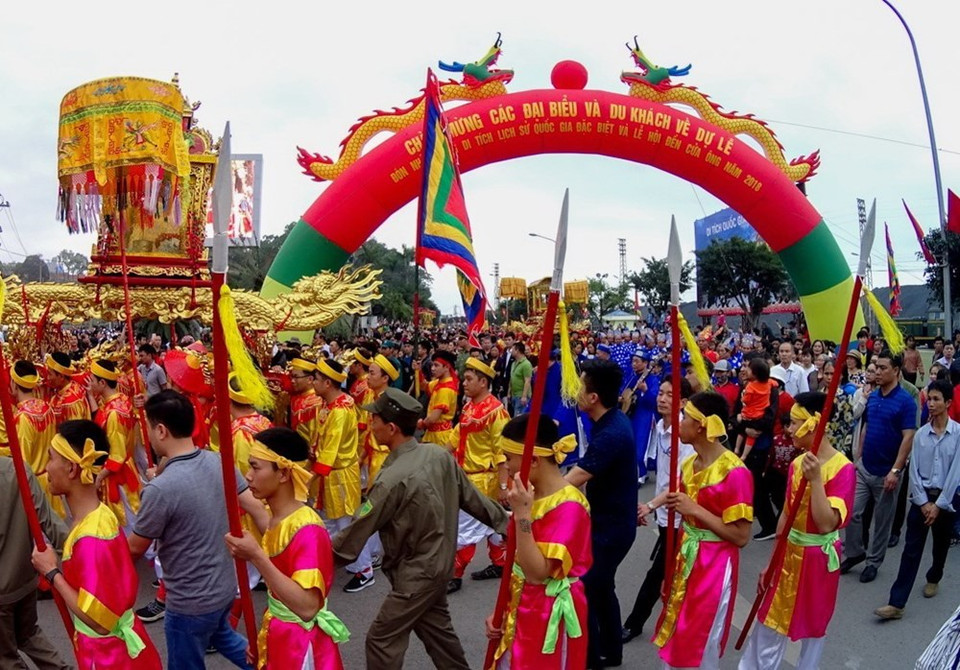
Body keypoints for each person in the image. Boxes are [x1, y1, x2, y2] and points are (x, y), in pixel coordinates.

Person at [332, 387, 509, 669]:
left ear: (391, 428)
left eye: (375, 419)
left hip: (416, 574)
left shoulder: (390, 480)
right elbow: (475, 501)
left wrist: (312, 562)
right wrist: (509, 525)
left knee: (381, 640)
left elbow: (356, 533)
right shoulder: (438, 456)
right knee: (439, 635)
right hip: (438, 566)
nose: (370, 424)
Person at [127, 389, 268, 669]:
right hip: (224, 588)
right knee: (225, 636)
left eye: (150, 429)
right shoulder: (218, 461)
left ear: (162, 431)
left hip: (189, 601)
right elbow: (255, 507)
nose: (150, 437)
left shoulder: (160, 489)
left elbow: (134, 546)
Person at [31, 420, 162, 669]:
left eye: (50, 458)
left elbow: (100, 619)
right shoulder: (100, 514)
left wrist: (51, 572)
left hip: (110, 657)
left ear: (71, 468)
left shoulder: (91, 539)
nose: (46, 467)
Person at [739, 392, 855, 670]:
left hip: (818, 559)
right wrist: (771, 564)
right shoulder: (795, 464)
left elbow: (827, 523)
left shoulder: (843, 469)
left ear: (815, 424)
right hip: (789, 554)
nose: (789, 429)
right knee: (769, 621)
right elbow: (786, 518)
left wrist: (816, 481)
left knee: (812, 630)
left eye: (795, 423)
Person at [224, 427, 348, 669]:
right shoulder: (275, 515)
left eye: (255, 467)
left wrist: (257, 556)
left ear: (282, 474)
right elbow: (248, 502)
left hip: (301, 647)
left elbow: (308, 607)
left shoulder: (307, 531)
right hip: (279, 634)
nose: (248, 476)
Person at [651, 391, 753, 669]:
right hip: (687, 556)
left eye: (685, 418)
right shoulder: (688, 464)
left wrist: (695, 510)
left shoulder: (735, 473)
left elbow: (741, 536)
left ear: (701, 426)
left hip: (714, 567)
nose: (679, 422)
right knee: (675, 630)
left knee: (699, 640)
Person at [485, 413, 592, 668]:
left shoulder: (569, 507)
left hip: (547, 613)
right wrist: (501, 611)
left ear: (532, 460)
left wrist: (522, 515)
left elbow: (536, 572)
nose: (506, 465)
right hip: (521, 605)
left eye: (509, 458)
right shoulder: (530, 494)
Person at [565, 359, 637, 668]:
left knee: (585, 591)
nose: (577, 392)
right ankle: (612, 650)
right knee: (602, 586)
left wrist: (537, 497)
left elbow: (575, 478)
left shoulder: (611, 433)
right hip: (610, 522)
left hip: (610, 529)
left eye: (581, 387)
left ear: (594, 397)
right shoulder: (609, 421)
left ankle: (590, 660)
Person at [875, 380, 960, 620]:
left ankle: (934, 576)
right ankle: (897, 603)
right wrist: (923, 503)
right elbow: (914, 472)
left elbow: (956, 474)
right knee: (911, 551)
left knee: (941, 545)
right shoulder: (921, 435)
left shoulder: (958, 435)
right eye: (929, 399)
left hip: (946, 502)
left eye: (936, 399)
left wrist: (939, 504)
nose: (931, 404)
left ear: (948, 403)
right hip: (921, 502)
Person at [622, 376, 695, 644]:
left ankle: (634, 623)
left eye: (669, 394)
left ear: (684, 402)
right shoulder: (661, 426)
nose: (662, 398)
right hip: (665, 513)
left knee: (659, 573)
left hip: (679, 514)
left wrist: (650, 505)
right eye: (661, 393)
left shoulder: (685, 434)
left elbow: (680, 483)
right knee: (669, 571)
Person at [841, 351, 918, 583]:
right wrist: (859, 458)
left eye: (883, 368)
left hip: (888, 472)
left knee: (882, 521)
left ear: (896, 371)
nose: (878, 372)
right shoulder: (873, 397)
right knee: (852, 512)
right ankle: (855, 553)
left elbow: (908, 437)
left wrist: (896, 470)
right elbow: (866, 428)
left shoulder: (906, 401)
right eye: (877, 367)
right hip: (865, 467)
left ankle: (874, 562)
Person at [0, 450, 70, 669]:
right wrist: (76, 554)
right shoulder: (15, 467)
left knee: (6, 657)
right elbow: (48, 520)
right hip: (25, 574)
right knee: (29, 633)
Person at [445, 357, 510, 593]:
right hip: (467, 475)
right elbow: (456, 436)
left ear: (483, 382)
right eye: (464, 378)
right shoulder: (469, 406)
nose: (464, 383)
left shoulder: (496, 412)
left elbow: (501, 452)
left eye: (469, 379)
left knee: (464, 528)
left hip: (483, 479)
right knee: (492, 524)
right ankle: (501, 563)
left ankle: (455, 574)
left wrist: (503, 486)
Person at [310, 358, 370, 593]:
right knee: (327, 522)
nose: (312, 383)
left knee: (346, 525)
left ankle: (365, 570)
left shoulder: (341, 410)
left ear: (327, 382)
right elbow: (321, 442)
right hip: (329, 475)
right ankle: (329, 562)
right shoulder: (329, 404)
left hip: (340, 475)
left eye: (314, 379)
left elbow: (331, 450)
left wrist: (308, 478)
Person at [86, 359, 141, 530]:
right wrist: (89, 396)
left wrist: (99, 477)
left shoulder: (114, 413)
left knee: (128, 521)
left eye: (93, 381)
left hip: (119, 476)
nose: (91, 384)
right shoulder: (121, 400)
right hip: (124, 468)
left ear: (102, 383)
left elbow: (117, 455)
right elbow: (101, 420)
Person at [621, 348, 659, 486]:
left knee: (641, 445)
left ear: (646, 363)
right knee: (629, 445)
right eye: (633, 361)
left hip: (645, 415)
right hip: (631, 414)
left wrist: (645, 391)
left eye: (637, 361)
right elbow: (624, 392)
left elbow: (655, 400)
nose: (634, 364)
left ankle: (640, 476)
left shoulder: (653, 379)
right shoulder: (631, 376)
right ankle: (633, 473)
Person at [420, 350, 458, 446]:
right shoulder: (439, 382)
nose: (432, 368)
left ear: (446, 367)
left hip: (440, 437)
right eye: (432, 365)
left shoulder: (446, 389)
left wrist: (421, 424)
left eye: (436, 365)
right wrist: (418, 371)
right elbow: (424, 386)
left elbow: (433, 418)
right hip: (433, 434)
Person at [45, 352, 91, 424]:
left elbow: (73, 432)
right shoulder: (71, 386)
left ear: (61, 377)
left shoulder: (71, 402)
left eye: (50, 374)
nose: (48, 378)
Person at [509, 342, 534, 416]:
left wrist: (524, 396)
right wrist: (509, 392)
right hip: (514, 394)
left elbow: (527, 381)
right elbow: (512, 378)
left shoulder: (526, 364)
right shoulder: (513, 363)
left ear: (517, 350)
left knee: (518, 418)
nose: (511, 351)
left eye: (512, 349)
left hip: (521, 396)